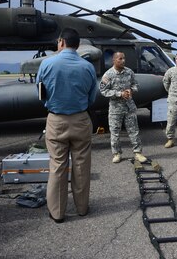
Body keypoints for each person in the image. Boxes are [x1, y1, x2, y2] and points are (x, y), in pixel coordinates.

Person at [36, 28, 98, 223]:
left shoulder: (47, 64)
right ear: (77, 45)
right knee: (81, 165)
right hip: (81, 119)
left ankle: (57, 212)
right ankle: (81, 208)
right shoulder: (87, 66)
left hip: (56, 120)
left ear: (61, 42)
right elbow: (92, 96)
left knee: (57, 166)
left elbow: (40, 92)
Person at [100, 52, 148, 164]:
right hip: (115, 109)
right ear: (114, 60)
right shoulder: (108, 75)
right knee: (115, 132)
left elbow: (135, 85)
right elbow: (103, 91)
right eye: (120, 59)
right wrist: (119, 94)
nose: (123, 61)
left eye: (124, 58)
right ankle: (117, 153)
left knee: (134, 131)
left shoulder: (129, 72)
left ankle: (138, 153)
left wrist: (131, 90)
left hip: (129, 107)